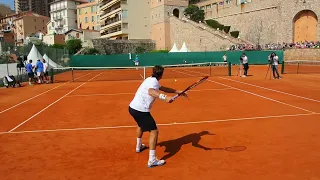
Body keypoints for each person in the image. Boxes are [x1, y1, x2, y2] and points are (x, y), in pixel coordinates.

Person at [128, 65, 187, 168]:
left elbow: (162, 88)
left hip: (132, 108)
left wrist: (176, 91)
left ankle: (138, 146)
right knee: (154, 131)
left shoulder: (150, 79)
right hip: (141, 110)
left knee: (140, 125)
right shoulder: (153, 82)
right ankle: (152, 160)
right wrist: (165, 98)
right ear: (162, 74)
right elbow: (151, 91)